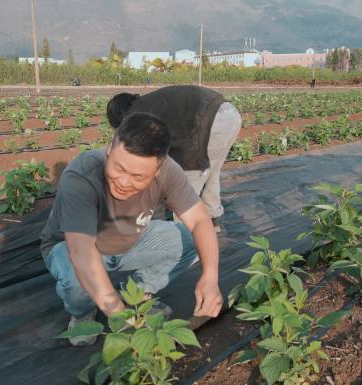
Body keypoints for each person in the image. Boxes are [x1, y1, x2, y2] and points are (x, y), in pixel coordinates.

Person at [40, 112, 223, 346]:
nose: (124, 182)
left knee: (188, 242)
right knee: (75, 275)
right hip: (73, 247)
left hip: (130, 241)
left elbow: (199, 220)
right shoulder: (82, 175)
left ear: (157, 170)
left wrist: (210, 277)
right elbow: (81, 253)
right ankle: (83, 311)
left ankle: (135, 294)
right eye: (119, 168)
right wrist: (124, 319)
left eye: (138, 177)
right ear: (110, 149)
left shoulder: (168, 170)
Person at [106, 85, 242, 231]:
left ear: (118, 117)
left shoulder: (134, 116)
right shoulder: (149, 103)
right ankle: (212, 221)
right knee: (210, 172)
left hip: (210, 122)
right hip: (229, 114)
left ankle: (185, 237)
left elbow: (140, 156)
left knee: (187, 184)